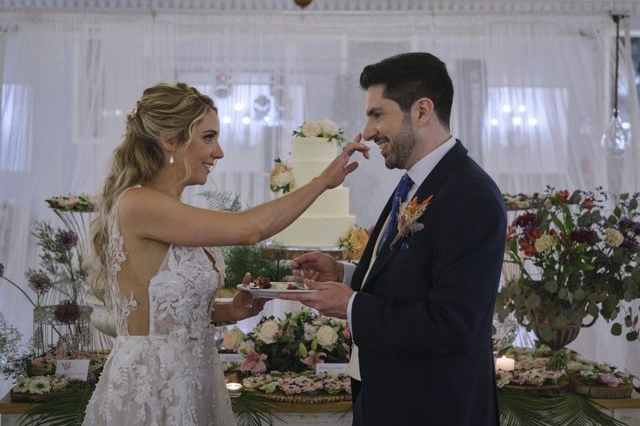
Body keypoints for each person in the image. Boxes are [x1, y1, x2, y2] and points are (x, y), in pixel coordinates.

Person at [82, 82, 367, 426]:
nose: (218, 153)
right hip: (154, 385)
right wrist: (321, 181)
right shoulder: (139, 203)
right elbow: (250, 230)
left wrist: (229, 310)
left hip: (194, 378)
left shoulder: (170, 209)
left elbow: (164, 310)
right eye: (208, 137)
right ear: (170, 140)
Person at [279, 53, 506, 426]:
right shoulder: (415, 183)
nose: (367, 132)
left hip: (434, 408)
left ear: (421, 111)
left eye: (377, 114)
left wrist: (351, 306)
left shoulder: (472, 196)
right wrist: (346, 273)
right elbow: (413, 278)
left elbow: (453, 326)